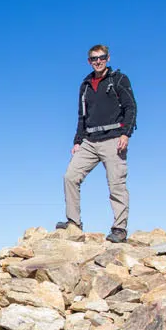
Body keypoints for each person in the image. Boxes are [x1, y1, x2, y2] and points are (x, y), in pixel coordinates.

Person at [57, 44, 136, 243]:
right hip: (90, 141)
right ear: (89, 61)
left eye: (102, 57)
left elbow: (130, 107)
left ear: (108, 58)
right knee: (70, 176)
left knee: (116, 185)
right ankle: (73, 223)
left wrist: (126, 134)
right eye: (94, 58)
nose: (98, 61)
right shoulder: (85, 85)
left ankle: (119, 228)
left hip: (113, 139)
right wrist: (77, 141)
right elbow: (81, 116)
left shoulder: (118, 79)